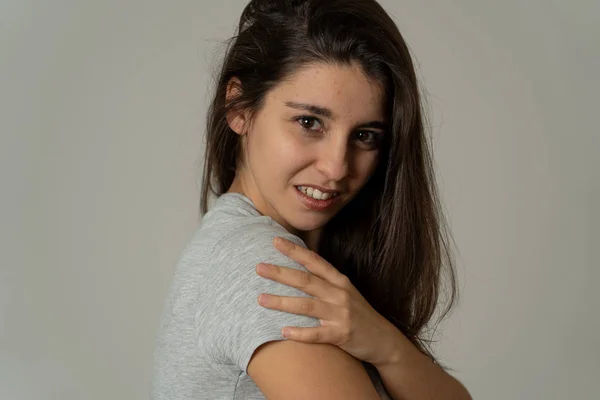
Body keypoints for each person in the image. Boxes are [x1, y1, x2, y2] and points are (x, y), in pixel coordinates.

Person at [151, 0, 472, 399]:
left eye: (365, 136)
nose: (337, 167)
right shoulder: (262, 269)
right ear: (238, 106)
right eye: (309, 123)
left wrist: (387, 346)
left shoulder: (312, 270)